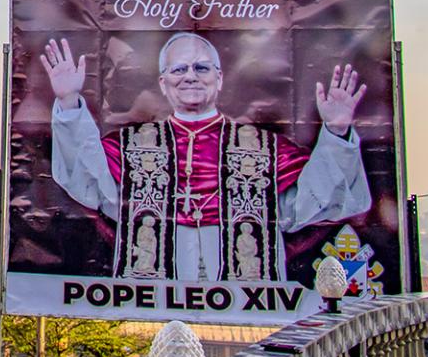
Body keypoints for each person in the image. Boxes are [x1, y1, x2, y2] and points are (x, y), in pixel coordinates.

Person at [40, 33, 372, 282]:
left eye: (201, 68)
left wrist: (337, 134)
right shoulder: (132, 146)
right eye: (179, 69)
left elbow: (307, 206)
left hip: (249, 305)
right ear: (164, 82)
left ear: (219, 78)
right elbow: (89, 185)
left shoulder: (263, 148)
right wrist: (69, 102)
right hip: (147, 304)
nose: (190, 76)